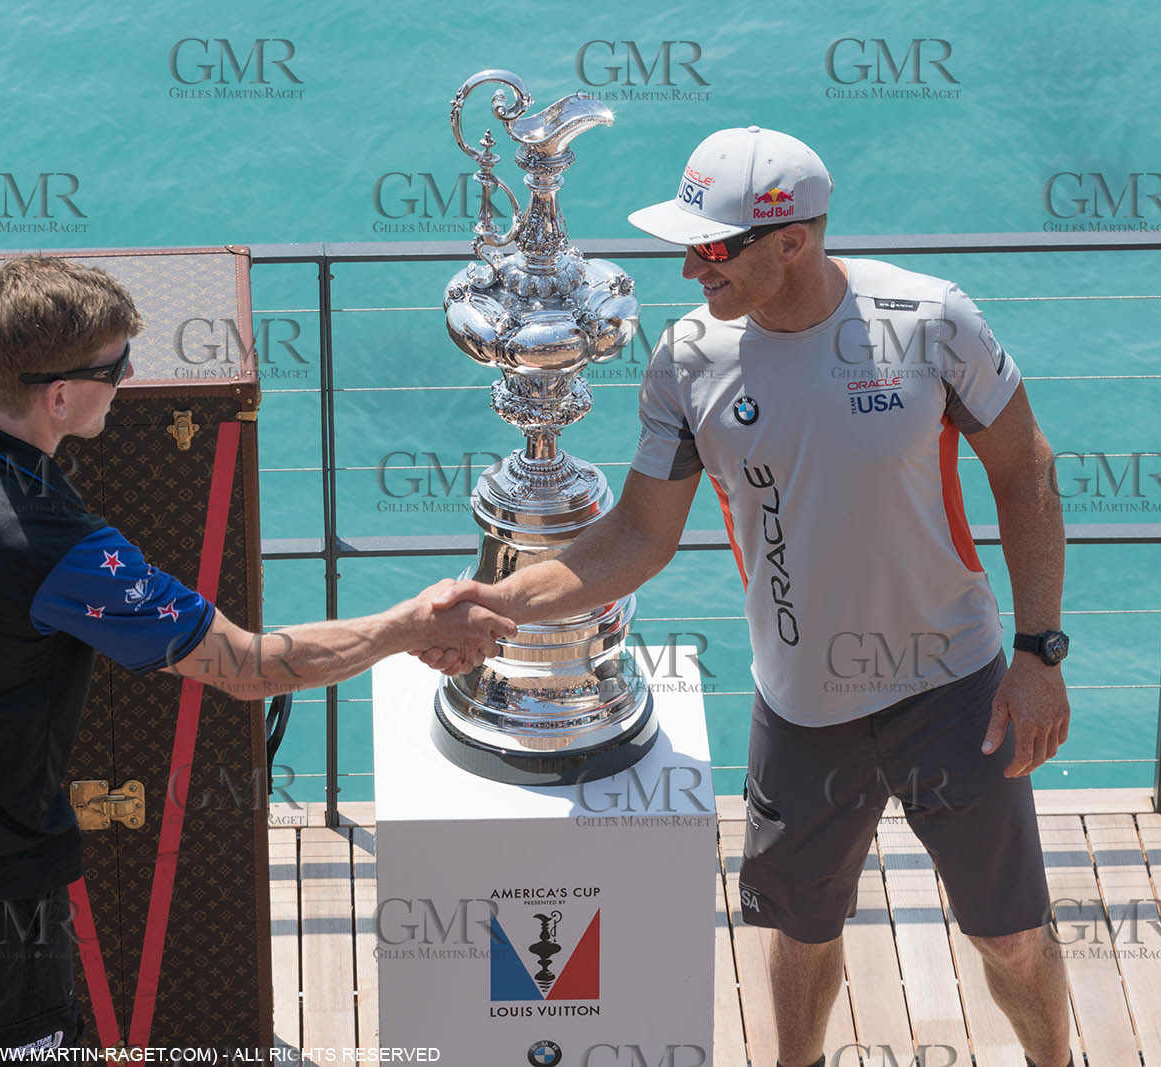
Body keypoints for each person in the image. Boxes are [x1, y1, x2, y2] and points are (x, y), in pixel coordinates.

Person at [428, 126, 1074, 1067]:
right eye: (687, 243)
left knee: (1010, 934)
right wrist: (501, 603)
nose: (691, 267)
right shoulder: (687, 359)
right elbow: (638, 537)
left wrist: (1039, 652)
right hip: (803, 708)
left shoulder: (932, 321)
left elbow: (1028, 471)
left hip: (956, 690)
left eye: (714, 246)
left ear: (792, 242)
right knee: (801, 934)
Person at [0, 256, 514, 1054]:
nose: (126, 380)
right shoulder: (58, 550)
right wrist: (408, 623)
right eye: (117, 367)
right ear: (59, 395)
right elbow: (251, 665)